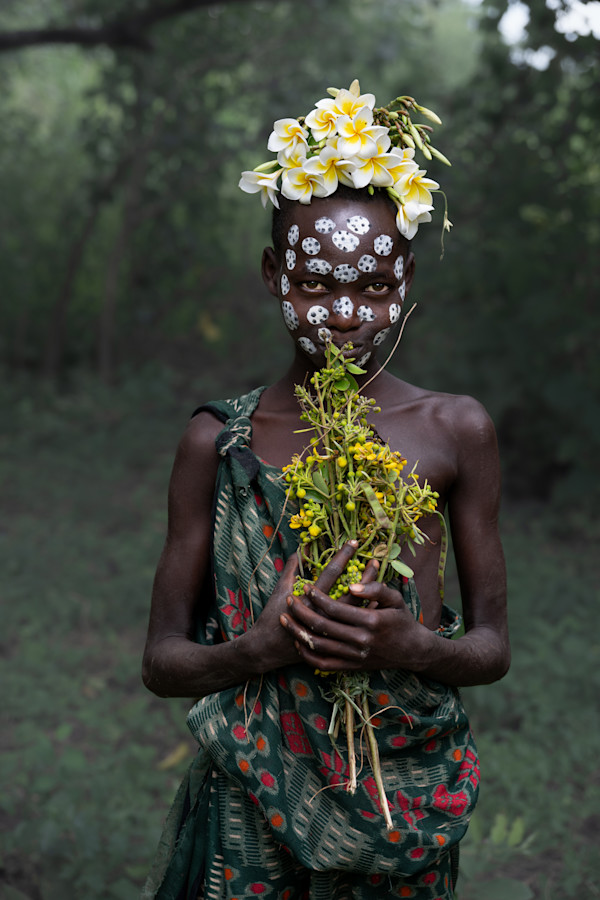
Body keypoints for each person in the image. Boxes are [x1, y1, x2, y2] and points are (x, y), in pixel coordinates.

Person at [142, 81, 510, 900]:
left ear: (405, 277)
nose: (344, 314)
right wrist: (258, 651)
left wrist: (412, 648)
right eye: (314, 285)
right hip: (250, 802)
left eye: (373, 288)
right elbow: (162, 662)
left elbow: (492, 648)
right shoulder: (218, 442)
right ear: (275, 273)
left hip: (398, 797)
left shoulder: (455, 431)